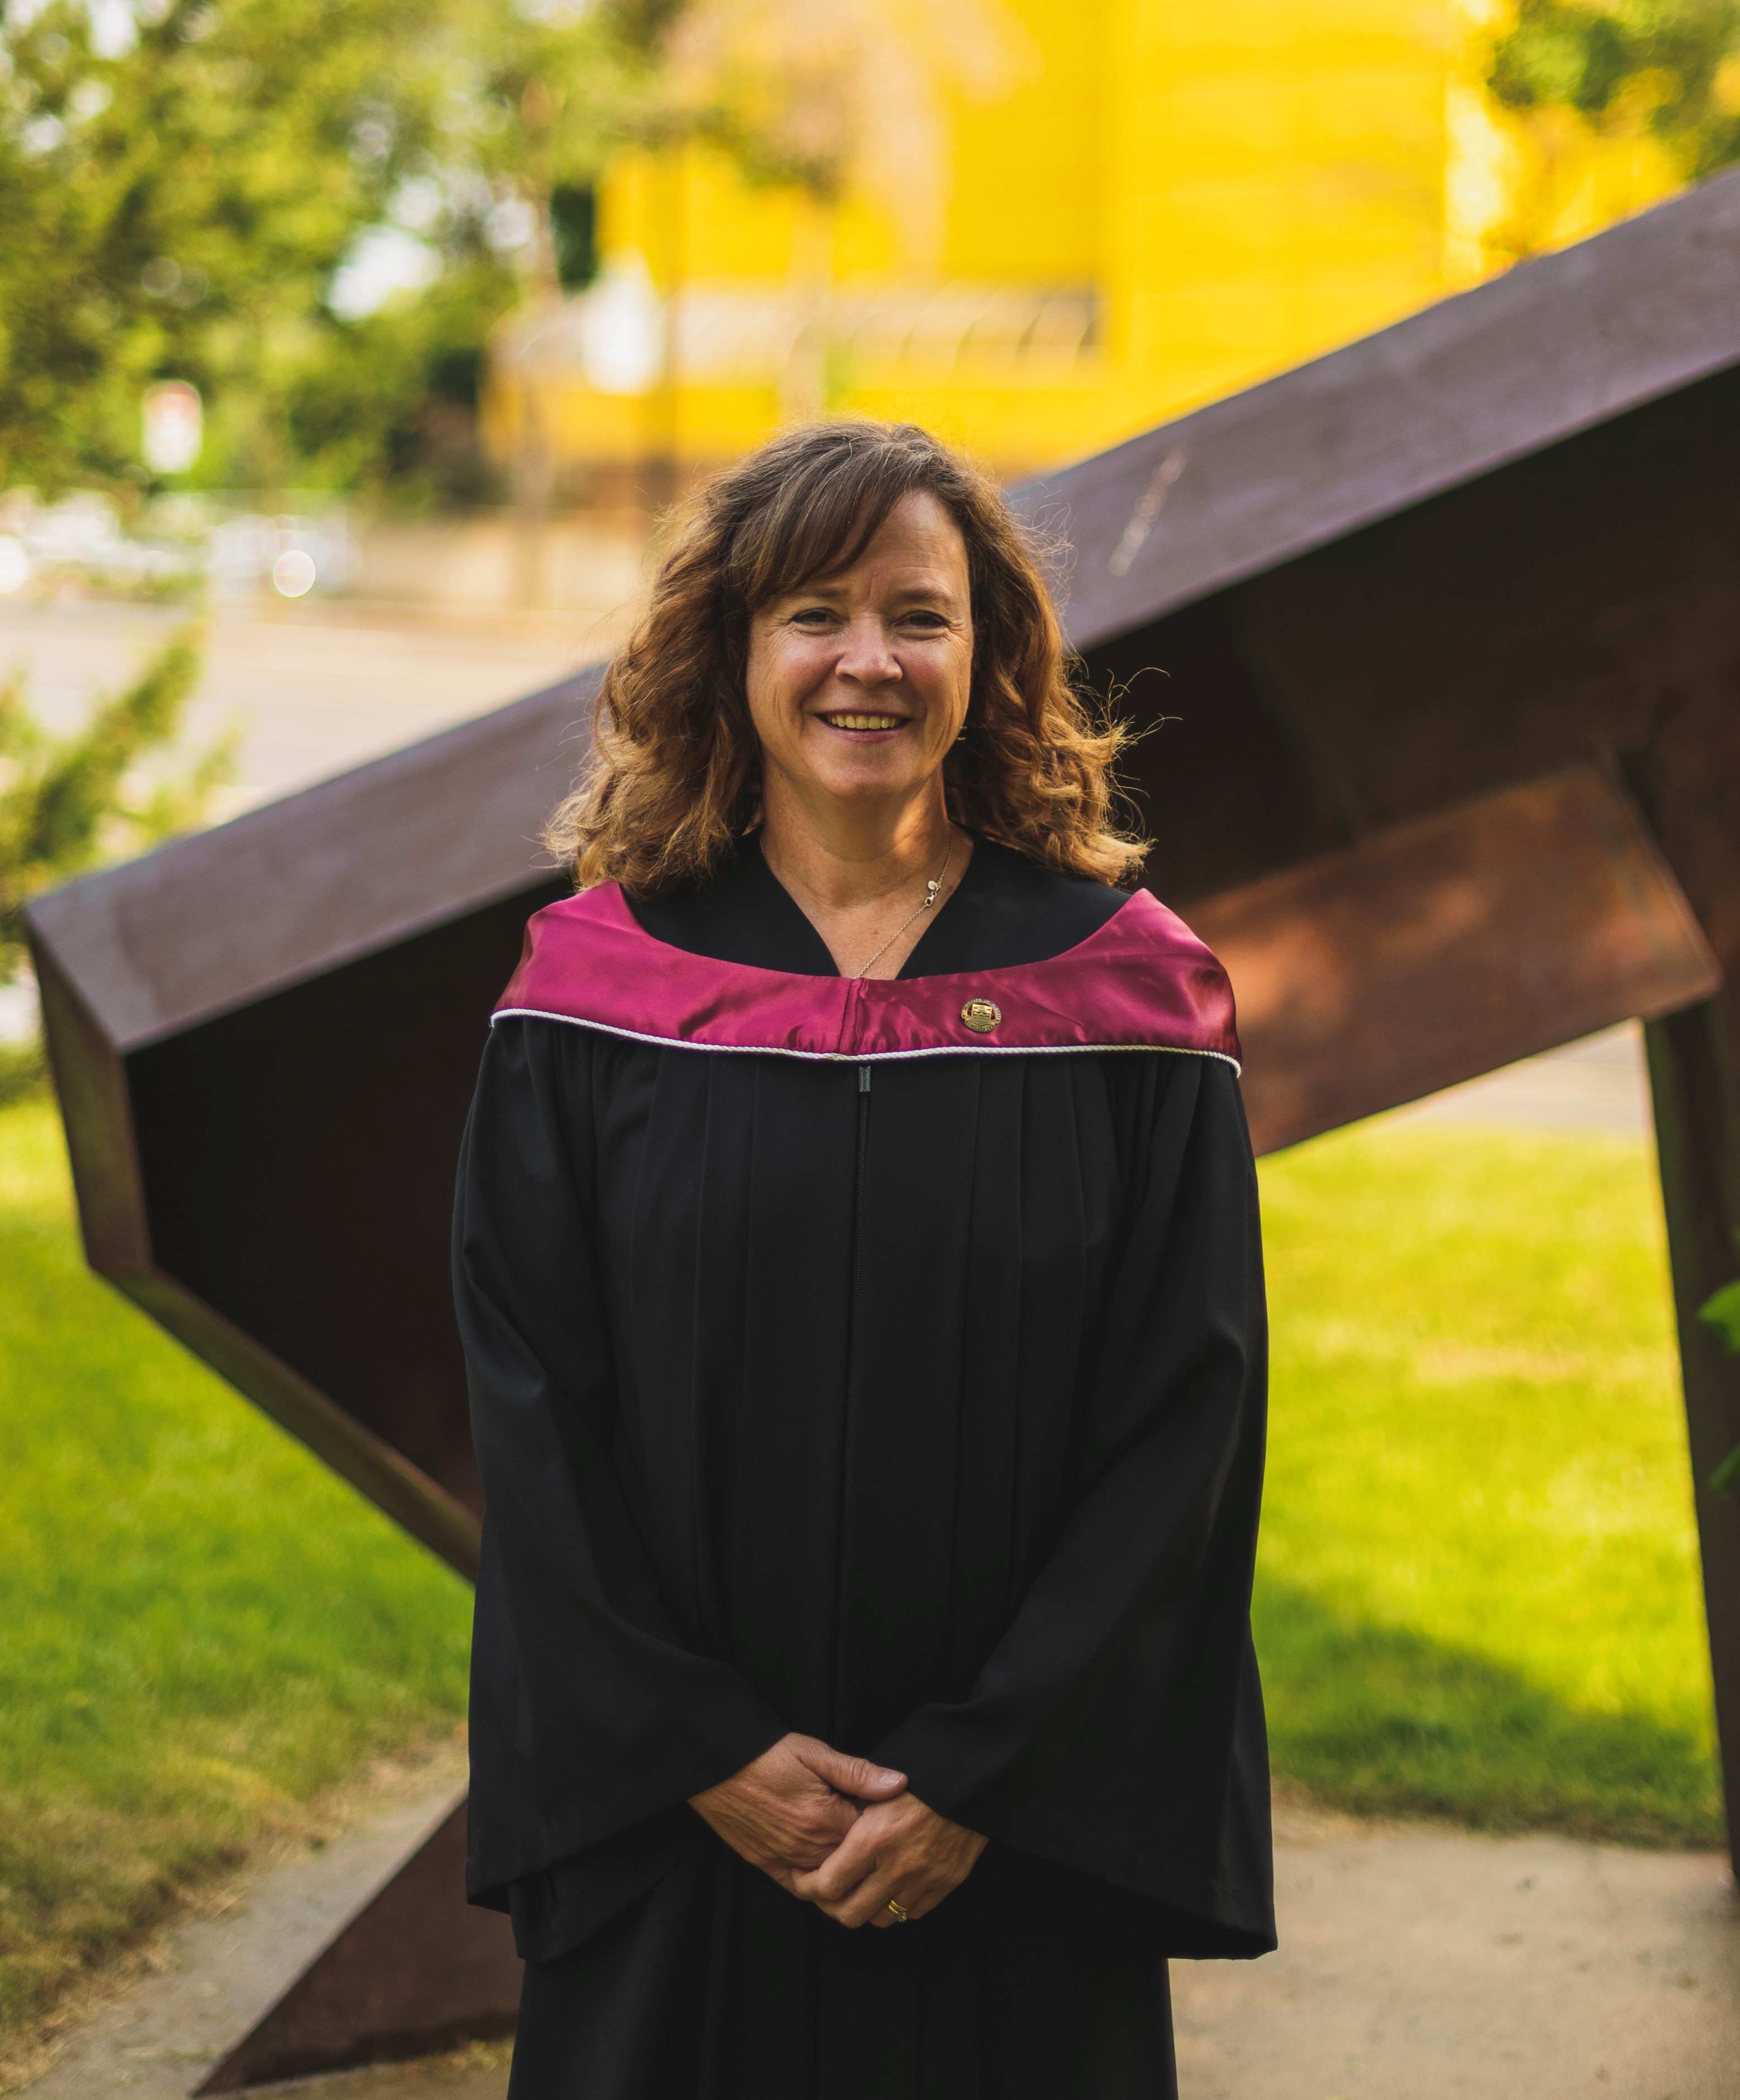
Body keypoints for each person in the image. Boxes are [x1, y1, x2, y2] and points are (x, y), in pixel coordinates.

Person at [453, 418, 1273, 2100]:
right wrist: (706, 1752)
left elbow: (1182, 1416)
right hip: (682, 1829)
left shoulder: (1127, 998)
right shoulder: (593, 992)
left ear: (989, 655)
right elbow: (530, 1405)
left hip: (1011, 1831)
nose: (867, 662)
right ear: (733, 651)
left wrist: (979, 1776)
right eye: (814, 614)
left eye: (918, 614)